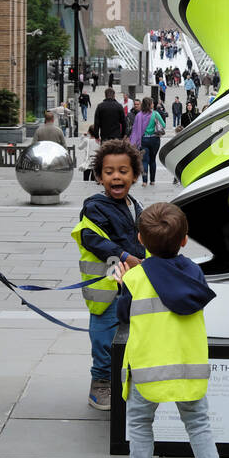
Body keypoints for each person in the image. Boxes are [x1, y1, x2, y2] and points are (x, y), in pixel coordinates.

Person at [112, 202, 229, 458]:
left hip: (147, 369)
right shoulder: (194, 273)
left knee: (139, 423)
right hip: (188, 368)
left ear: (141, 240)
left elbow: (123, 317)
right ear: (185, 239)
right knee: (198, 424)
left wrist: (123, 284)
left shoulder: (134, 279)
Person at [72, 140, 146, 411]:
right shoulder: (95, 206)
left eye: (123, 171)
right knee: (104, 335)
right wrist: (126, 256)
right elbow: (92, 238)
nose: (116, 176)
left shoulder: (135, 205)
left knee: (128, 334)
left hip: (130, 286)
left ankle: (122, 379)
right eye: (109, 171)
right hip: (105, 287)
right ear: (99, 177)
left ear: (135, 175)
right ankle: (100, 384)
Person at [127, 97, 158, 186]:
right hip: (154, 139)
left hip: (143, 139)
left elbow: (135, 129)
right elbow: (163, 124)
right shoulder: (155, 114)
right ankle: (152, 181)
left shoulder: (139, 115)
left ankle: (144, 181)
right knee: (153, 160)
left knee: (144, 161)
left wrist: (133, 141)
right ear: (150, 104)